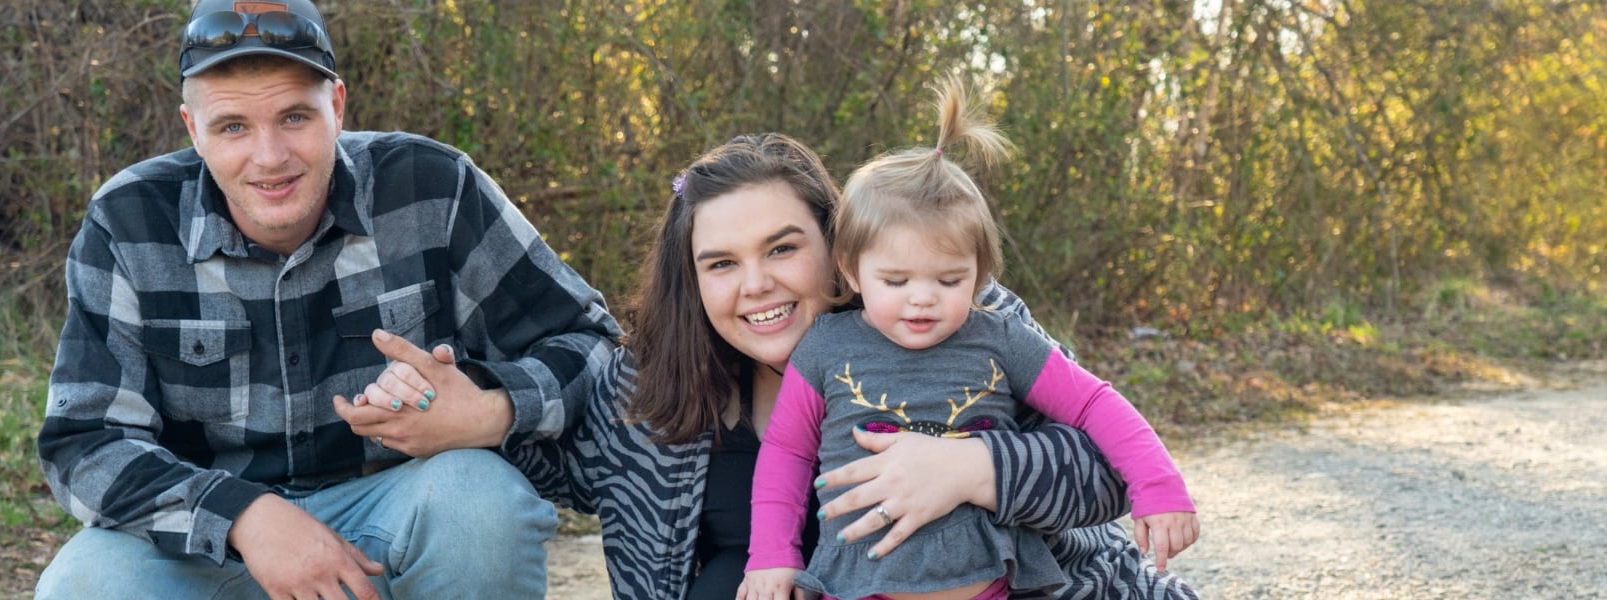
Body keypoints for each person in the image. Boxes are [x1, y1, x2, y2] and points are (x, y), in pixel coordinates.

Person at [33, 0, 622, 598]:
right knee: (83, 584)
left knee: (482, 503)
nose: (270, 156)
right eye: (233, 126)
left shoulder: (429, 186)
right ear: (193, 130)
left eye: (294, 117)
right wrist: (244, 516)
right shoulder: (128, 219)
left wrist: (488, 410)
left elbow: (595, 347)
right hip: (210, 544)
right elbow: (85, 441)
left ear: (336, 107)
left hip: (395, 526)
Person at [510, 131, 1198, 599]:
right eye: (721, 264)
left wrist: (974, 468)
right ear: (692, 280)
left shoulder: (955, 312)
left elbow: (1108, 462)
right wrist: (485, 406)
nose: (756, 285)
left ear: (839, 249)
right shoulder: (649, 389)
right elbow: (550, 455)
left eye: (782, 249)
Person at [737, 77, 1199, 600]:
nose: (922, 299)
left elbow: (1094, 403)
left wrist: (1158, 487)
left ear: (979, 272)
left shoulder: (998, 337)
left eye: (949, 279)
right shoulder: (826, 348)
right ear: (850, 267)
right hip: (855, 586)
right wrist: (771, 554)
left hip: (990, 587)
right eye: (896, 281)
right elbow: (787, 453)